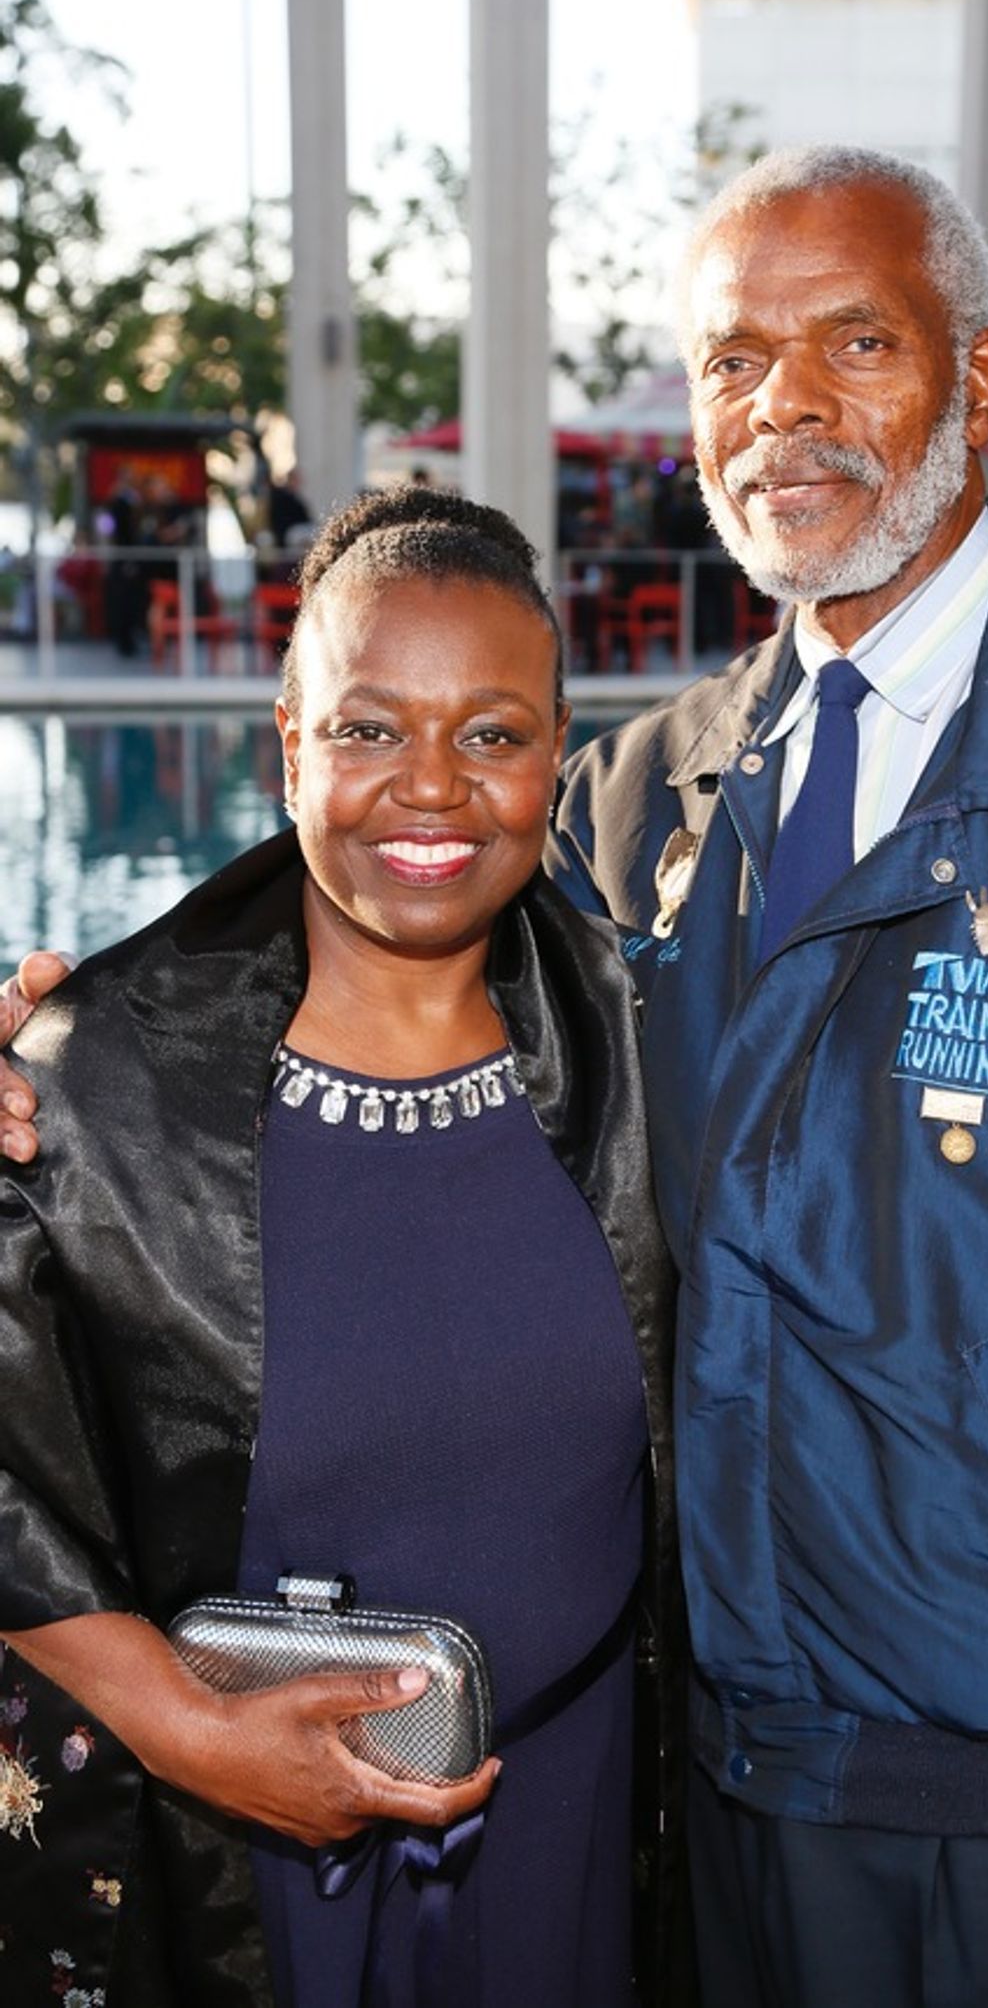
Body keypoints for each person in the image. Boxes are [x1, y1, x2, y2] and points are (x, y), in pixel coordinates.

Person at [7, 144, 988, 2008]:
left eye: (855, 343)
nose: (786, 408)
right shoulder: (641, 797)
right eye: (733, 361)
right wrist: (65, 1047)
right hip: (701, 1794)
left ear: (978, 384)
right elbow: (390, 931)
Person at [0, 486, 681, 2007]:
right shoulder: (92, 1077)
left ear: (555, 754)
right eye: (370, 730)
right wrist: (185, 1730)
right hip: (233, 1861)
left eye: (492, 735)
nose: (430, 789)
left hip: (570, 1838)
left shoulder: (653, 1048)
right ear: (289, 743)